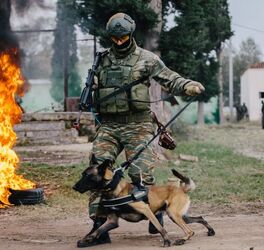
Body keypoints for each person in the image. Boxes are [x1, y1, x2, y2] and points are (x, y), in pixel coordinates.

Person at [77, 13, 205, 248]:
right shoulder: (101, 60)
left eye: (123, 37)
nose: (118, 42)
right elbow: (92, 87)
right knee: (96, 173)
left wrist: (188, 85)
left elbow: (170, 79)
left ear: (131, 34)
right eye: (114, 38)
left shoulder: (146, 59)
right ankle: (100, 227)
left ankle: (154, 211)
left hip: (138, 124)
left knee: (141, 174)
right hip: (109, 125)